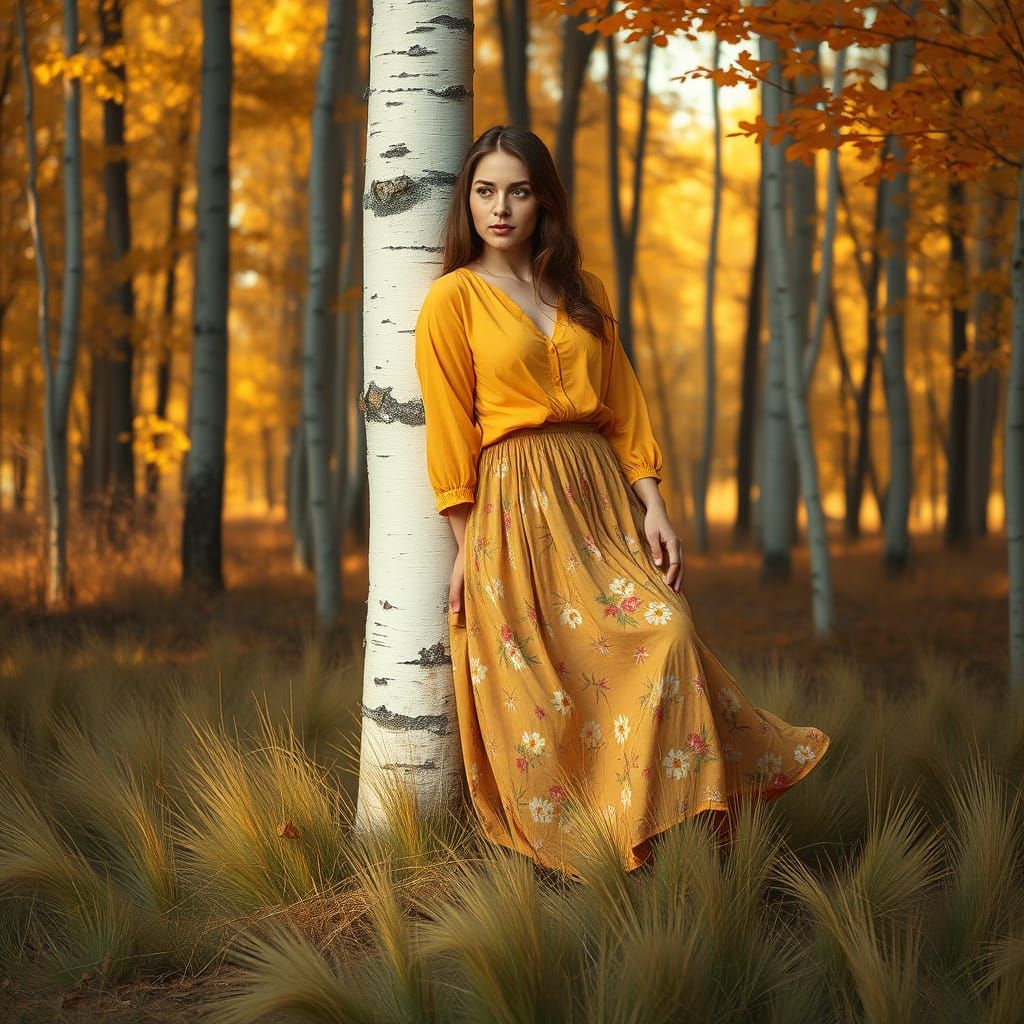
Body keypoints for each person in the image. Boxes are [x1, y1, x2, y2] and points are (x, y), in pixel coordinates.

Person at [413, 124, 829, 880]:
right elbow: (448, 432)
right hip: (515, 507)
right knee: (557, 682)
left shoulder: (582, 292)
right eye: (484, 191)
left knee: (665, 632)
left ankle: (682, 838)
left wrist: (654, 504)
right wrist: (466, 542)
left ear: (544, 200)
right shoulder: (453, 299)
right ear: (466, 200)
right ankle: (609, 852)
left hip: (598, 496)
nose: (499, 208)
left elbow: (625, 406)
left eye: (518, 190)